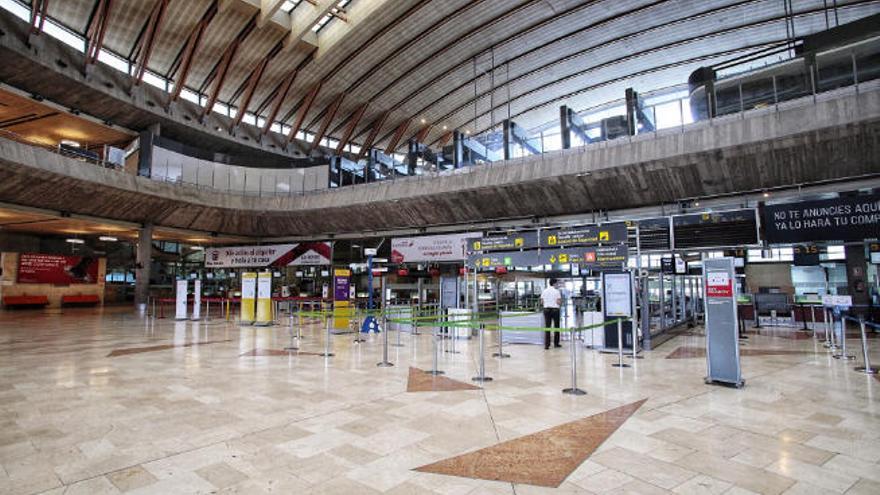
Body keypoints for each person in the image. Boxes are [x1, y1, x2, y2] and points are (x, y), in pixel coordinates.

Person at [541, 278, 562, 349]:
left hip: (546, 310)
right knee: (556, 327)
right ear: (554, 283)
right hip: (555, 310)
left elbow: (542, 302)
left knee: (547, 327)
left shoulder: (544, 291)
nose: (557, 285)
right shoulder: (557, 291)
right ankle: (556, 343)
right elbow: (558, 302)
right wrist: (559, 304)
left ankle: (547, 345)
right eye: (557, 283)